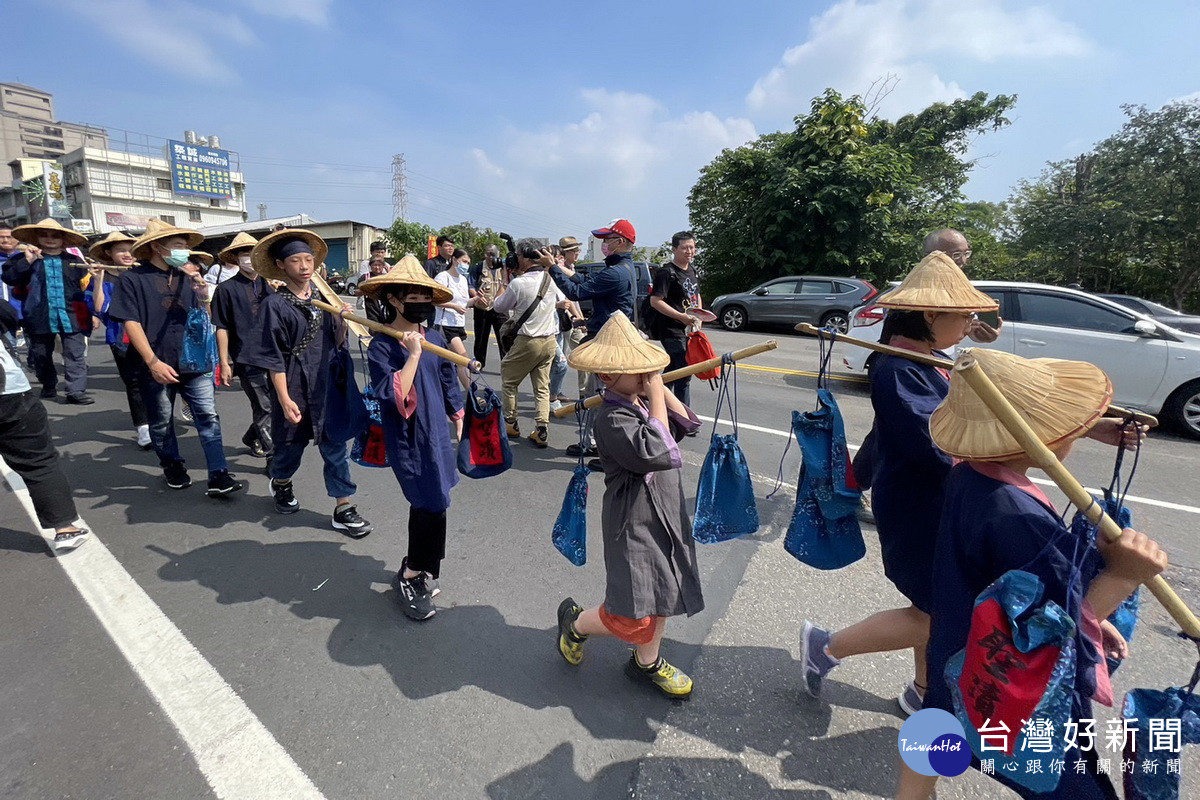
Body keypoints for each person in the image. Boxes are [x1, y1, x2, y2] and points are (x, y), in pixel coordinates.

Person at [909, 348, 1163, 800]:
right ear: (1035, 438)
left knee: (941, 721)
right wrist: (1123, 578)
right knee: (1073, 787)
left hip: (959, 644)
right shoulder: (1019, 520)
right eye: (1067, 425)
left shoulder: (970, 475)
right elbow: (1049, 629)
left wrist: (1084, 432)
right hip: (1002, 675)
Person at [800, 252, 999, 716]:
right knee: (937, 612)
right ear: (930, 314)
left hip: (932, 501)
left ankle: (923, 691)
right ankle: (827, 647)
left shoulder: (926, 358)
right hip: (918, 505)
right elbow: (934, 446)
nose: (971, 322)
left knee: (930, 602)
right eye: (964, 314)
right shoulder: (898, 369)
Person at [554, 312, 703, 697]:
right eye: (635, 370)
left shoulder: (638, 400)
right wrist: (653, 390)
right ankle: (577, 623)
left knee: (665, 591)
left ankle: (647, 662)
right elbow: (657, 450)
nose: (645, 375)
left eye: (647, 368)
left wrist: (656, 382)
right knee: (633, 610)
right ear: (606, 376)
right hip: (633, 519)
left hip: (665, 511)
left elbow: (686, 423)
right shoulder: (612, 418)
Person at [239, 229, 371, 537]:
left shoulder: (324, 300)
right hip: (295, 386)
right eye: (296, 260)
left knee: (335, 447)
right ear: (281, 266)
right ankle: (281, 482)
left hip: (326, 387)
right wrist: (284, 399)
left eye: (308, 259)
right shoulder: (275, 305)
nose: (303, 266)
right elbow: (273, 358)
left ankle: (343, 507)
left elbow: (336, 344)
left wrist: (341, 321)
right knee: (290, 450)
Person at [359, 256, 464, 621]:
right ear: (394, 300)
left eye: (425, 296)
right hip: (409, 437)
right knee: (428, 500)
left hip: (437, 433)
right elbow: (392, 393)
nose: (421, 303)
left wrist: (458, 412)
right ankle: (411, 574)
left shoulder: (434, 337)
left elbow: (448, 376)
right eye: (413, 297)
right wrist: (413, 354)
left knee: (438, 499)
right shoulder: (382, 345)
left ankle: (421, 568)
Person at [107, 218, 243, 496]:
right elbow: (130, 322)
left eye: (185, 246)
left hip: (193, 361)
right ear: (157, 247)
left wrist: (203, 296)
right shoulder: (133, 279)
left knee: (208, 415)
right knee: (161, 419)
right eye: (178, 245)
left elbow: (205, 320)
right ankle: (172, 465)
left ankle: (218, 474)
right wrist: (152, 362)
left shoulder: (189, 276)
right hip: (154, 362)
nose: (184, 251)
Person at [0, 297, 89, 552]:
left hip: (10, 391)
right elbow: (8, 314)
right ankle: (64, 527)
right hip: (10, 394)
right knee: (38, 462)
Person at [549, 219, 639, 468]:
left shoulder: (615, 273)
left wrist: (552, 268)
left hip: (609, 342)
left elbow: (577, 292)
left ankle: (607, 451)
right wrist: (562, 269)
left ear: (620, 242)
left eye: (607, 240)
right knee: (594, 394)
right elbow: (583, 282)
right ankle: (590, 442)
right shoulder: (623, 269)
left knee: (604, 397)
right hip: (606, 336)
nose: (604, 244)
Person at [3, 218, 94, 404]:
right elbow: (9, 278)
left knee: (75, 353)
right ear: (37, 238)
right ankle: (48, 384)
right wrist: (28, 261)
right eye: (44, 234)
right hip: (38, 316)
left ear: (63, 239)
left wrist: (95, 314)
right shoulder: (22, 259)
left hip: (72, 316)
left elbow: (87, 288)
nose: (50, 239)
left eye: (55, 235)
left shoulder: (75, 261)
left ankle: (75, 391)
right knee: (41, 355)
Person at [494, 239, 566, 448]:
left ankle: (510, 423)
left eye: (517, 255)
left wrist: (505, 279)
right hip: (549, 341)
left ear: (524, 256)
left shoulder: (518, 283)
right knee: (542, 387)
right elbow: (560, 300)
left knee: (509, 381)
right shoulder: (551, 279)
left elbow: (499, 307)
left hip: (528, 340)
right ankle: (541, 429)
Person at [210, 232, 275, 459]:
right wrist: (224, 362)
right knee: (265, 405)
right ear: (236, 259)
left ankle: (252, 436)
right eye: (244, 254)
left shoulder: (271, 285)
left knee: (272, 403)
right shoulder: (226, 289)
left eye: (252, 253)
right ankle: (272, 456)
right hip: (246, 357)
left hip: (274, 355)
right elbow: (221, 327)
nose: (249, 258)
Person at [85, 231, 150, 448]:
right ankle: (143, 427)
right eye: (121, 250)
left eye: (130, 249)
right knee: (133, 383)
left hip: (151, 334)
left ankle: (160, 419)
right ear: (108, 252)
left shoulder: (144, 273)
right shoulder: (104, 277)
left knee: (157, 378)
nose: (127, 254)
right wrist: (98, 278)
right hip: (121, 338)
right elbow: (99, 307)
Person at [649, 230, 703, 406]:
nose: (689, 251)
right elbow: (655, 301)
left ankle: (654, 399)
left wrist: (698, 316)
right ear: (674, 249)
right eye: (685, 248)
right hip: (670, 328)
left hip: (688, 329)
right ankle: (684, 416)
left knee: (673, 371)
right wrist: (682, 317)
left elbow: (696, 295)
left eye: (692, 248)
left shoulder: (692, 270)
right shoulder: (667, 272)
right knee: (683, 372)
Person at [921, 228, 1000, 344]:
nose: (962, 261)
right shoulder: (910, 293)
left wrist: (979, 334)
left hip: (939, 358)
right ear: (930, 256)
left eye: (966, 254)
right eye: (956, 254)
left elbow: (968, 329)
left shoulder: (961, 289)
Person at [469, 243, 508, 367]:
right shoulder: (479, 267)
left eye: (493, 254)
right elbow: (470, 285)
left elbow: (511, 285)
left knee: (504, 338)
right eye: (488, 254)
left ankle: (506, 365)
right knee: (480, 338)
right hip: (482, 307)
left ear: (498, 255)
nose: (490, 257)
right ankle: (479, 364)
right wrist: (476, 297)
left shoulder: (504, 268)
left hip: (500, 308)